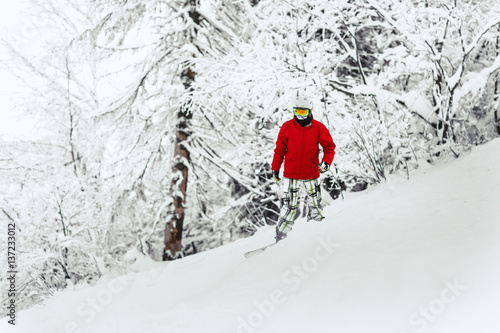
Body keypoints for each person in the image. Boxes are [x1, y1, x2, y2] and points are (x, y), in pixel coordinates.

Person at [271, 94, 336, 242]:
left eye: (303, 112)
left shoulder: (318, 127)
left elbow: (329, 147)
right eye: (297, 112)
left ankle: (315, 231)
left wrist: (326, 162)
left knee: (315, 204)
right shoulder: (287, 127)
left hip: (311, 172)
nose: (300, 116)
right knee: (290, 207)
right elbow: (279, 150)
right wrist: (275, 168)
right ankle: (281, 235)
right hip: (291, 174)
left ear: (310, 110)